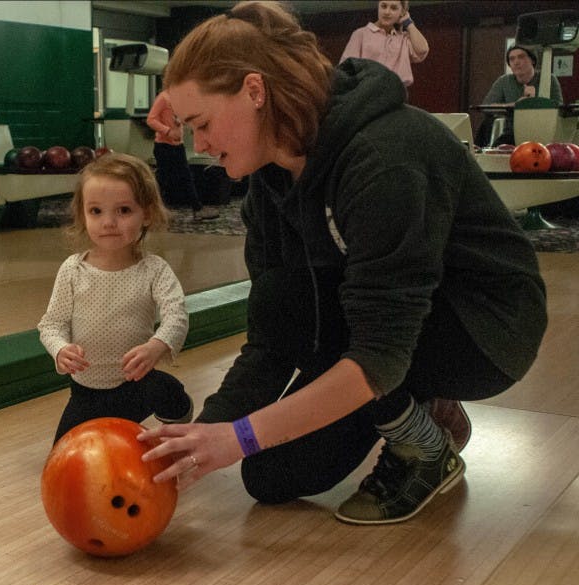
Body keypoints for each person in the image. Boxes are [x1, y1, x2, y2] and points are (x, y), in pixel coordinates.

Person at [138, 1, 547, 525]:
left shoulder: (384, 156)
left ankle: (424, 445)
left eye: (203, 123)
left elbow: (378, 356)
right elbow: (274, 336)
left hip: (485, 328)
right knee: (270, 475)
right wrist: (198, 438)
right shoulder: (268, 181)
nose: (199, 143)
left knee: (348, 360)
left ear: (255, 92)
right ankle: (423, 406)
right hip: (380, 318)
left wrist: (237, 436)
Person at [38, 152, 194, 443]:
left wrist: (156, 346)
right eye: (96, 211)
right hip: (86, 394)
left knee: (163, 390)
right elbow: (51, 324)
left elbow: (177, 314)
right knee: (63, 459)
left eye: (123, 210)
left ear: (146, 213)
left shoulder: (154, 270)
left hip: (136, 385)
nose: (109, 222)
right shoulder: (73, 270)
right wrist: (60, 349)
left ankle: (178, 408)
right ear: (82, 215)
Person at [147, 90, 220, 220]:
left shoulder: (177, 98)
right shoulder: (163, 98)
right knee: (164, 179)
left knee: (183, 177)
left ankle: (196, 208)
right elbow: (151, 119)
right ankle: (157, 210)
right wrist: (168, 131)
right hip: (164, 146)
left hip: (177, 146)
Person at [478, 45, 564, 147]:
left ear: (532, 60)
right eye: (512, 59)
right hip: (512, 133)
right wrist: (517, 105)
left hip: (543, 131)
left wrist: (535, 102)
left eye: (521, 57)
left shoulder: (548, 79)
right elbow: (486, 107)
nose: (516, 62)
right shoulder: (504, 81)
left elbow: (560, 109)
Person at [339, 0, 428, 87]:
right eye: (383, 6)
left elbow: (422, 50)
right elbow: (346, 68)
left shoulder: (403, 38)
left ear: (402, 12)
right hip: (367, 92)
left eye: (393, 8)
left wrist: (408, 23)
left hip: (396, 93)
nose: (387, 12)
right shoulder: (361, 34)